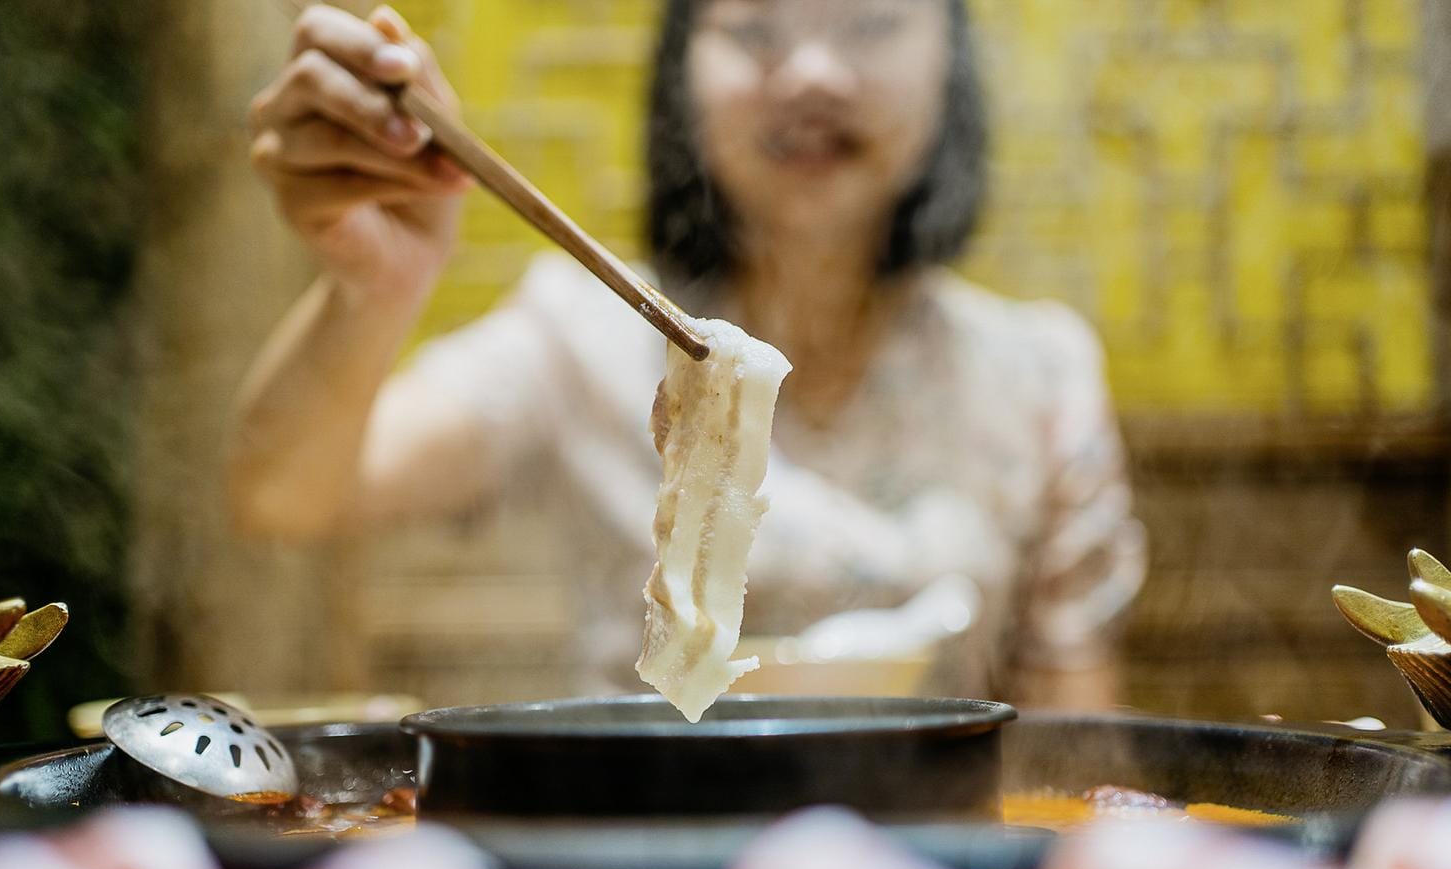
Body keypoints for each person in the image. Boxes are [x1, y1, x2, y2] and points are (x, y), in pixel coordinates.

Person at [232, 0, 1146, 708]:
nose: (813, 73)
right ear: (682, 67)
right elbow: (284, 493)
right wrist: (376, 283)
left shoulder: (1034, 375)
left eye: (870, 21)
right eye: (753, 28)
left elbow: (1068, 767)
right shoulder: (583, 334)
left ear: (951, 59)